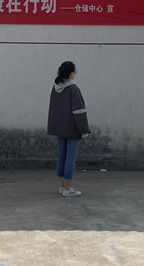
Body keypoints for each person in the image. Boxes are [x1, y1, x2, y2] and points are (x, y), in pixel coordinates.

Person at [47, 61, 90, 197]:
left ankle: (62, 186)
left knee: (62, 155)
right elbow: (79, 112)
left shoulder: (55, 88)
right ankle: (68, 189)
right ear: (71, 74)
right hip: (72, 129)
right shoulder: (73, 89)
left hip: (59, 128)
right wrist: (84, 131)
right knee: (70, 157)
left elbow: (53, 109)